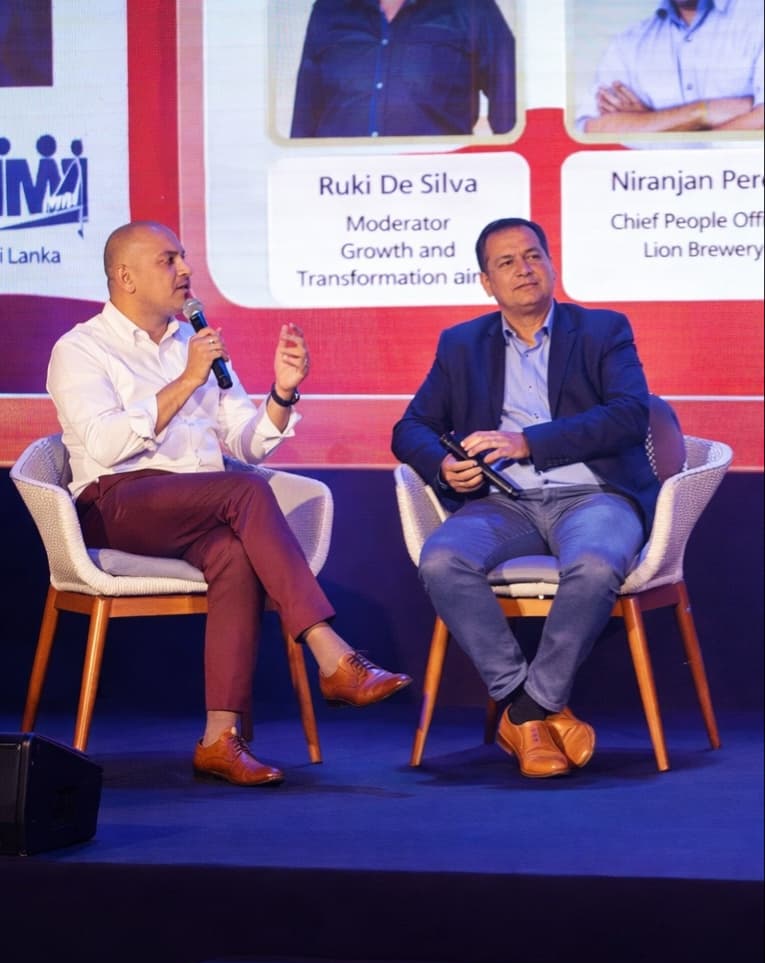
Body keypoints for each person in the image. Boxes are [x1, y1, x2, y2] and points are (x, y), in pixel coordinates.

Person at [46, 220, 412, 787]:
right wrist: (188, 379)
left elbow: (245, 441)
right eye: (168, 260)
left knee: (235, 555)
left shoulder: (193, 341)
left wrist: (282, 393)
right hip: (116, 503)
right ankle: (331, 654)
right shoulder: (81, 348)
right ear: (125, 277)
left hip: (199, 506)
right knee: (245, 491)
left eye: (184, 257)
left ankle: (220, 738)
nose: (186, 270)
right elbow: (104, 446)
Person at [392, 217, 660, 779]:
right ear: (486, 282)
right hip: (503, 502)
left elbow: (631, 416)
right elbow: (410, 427)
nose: (524, 269)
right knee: (442, 559)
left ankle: (528, 710)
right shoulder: (462, 344)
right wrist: (444, 466)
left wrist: (526, 442)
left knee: (593, 563)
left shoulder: (603, 330)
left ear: (551, 263)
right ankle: (531, 707)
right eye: (507, 262)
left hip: (593, 494)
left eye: (533, 255)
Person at [289, 0, 516, 138]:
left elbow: (509, 108)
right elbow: (305, 114)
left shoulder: (473, 8)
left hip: (440, 187)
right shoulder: (327, 10)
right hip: (341, 187)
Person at [575, 0, 764, 134]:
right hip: (656, 186)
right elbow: (592, 127)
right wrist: (700, 112)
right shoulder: (628, 43)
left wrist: (652, 123)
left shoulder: (758, 18)